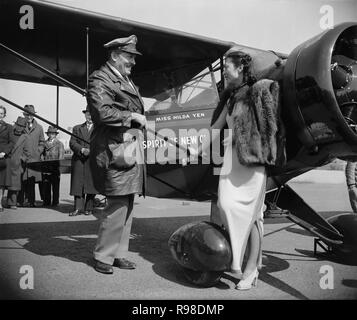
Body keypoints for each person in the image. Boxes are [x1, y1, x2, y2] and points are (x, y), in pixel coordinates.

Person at [195, 50, 281, 290]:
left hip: (252, 162)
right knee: (226, 204)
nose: (224, 72)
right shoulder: (231, 97)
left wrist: (234, 139)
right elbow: (216, 127)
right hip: (231, 162)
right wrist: (196, 150)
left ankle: (250, 269)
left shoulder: (259, 92)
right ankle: (238, 260)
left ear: (241, 68)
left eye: (227, 68)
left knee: (253, 215)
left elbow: (267, 130)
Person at [87, 35, 147, 274]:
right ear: (114, 55)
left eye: (133, 57)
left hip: (127, 148)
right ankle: (103, 255)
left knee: (128, 202)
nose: (133, 62)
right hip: (114, 151)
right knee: (117, 204)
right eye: (129, 56)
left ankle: (118, 253)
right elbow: (101, 112)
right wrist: (130, 117)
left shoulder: (125, 79)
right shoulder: (100, 78)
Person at [69, 108, 97, 216]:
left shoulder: (99, 129)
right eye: (88, 114)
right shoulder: (77, 128)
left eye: (91, 114)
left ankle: (89, 208)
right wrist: (82, 149)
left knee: (91, 185)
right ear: (85, 115)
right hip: (79, 159)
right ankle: (78, 208)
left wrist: (91, 151)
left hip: (92, 160)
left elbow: (101, 143)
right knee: (78, 184)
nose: (89, 116)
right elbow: (72, 142)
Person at [20, 105, 45, 207]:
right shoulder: (20, 127)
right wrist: (21, 156)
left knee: (32, 180)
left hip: (34, 159)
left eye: (31, 114)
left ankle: (31, 201)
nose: (29, 117)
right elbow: (16, 142)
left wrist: (38, 151)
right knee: (22, 181)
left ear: (34, 115)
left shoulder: (39, 128)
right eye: (27, 114)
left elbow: (42, 142)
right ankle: (21, 201)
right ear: (24, 115)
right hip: (22, 159)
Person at [6, 116, 27, 209]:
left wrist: (22, 158)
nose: (19, 128)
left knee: (15, 184)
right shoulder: (9, 134)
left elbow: (27, 151)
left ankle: (12, 203)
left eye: (21, 126)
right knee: (3, 183)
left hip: (17, 163)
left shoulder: (25, 137)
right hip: (7, 161)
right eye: (18, 125)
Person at [42, 126, 65, 207]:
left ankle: (55, 202)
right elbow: (42, 155)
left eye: (53, 133)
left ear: (55, 134)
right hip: (46, 168)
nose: (51, 135)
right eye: (50, 133)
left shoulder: (59, 144)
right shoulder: (44, 143)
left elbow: (61, 157)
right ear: (48, 134)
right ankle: (46, 201)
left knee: (55, 187)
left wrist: (59, 168)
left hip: (55, 169)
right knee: (46, 186)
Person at [0, 106, 15, 211]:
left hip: (3, 158)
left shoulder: (9, 127)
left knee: (1, 183)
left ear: (4, 115)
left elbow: (12, 142)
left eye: (1, 113)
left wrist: (4, 152)